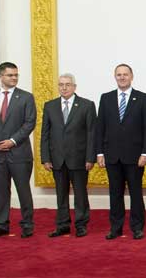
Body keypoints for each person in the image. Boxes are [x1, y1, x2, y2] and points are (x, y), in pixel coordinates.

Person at [96, 63, 146, 240]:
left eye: (125, 74)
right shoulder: (106, 98)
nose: (122, 77)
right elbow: (100, 128)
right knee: (115, 193)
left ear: (131, 76)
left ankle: (137, 227)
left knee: (136, 193)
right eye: (119, 75)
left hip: (135, 157)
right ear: (115, 77)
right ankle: (116, 227)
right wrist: (99, 153)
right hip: (112, 155)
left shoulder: (143, 98)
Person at [0, 62, 37, 239]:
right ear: (0, 76)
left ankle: (27, 225)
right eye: (10, 75)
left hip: (19, 153)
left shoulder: (26, 97)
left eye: (16, 75)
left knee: (23, 190)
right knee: (1, 191)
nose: (14, 78)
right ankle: (2, 225)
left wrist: (12, 141)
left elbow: (30, 123)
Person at [40, 73, 96, 238]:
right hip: (57, 159)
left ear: (74, 87)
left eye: (67, 84)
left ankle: (81, 224)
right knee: (60, 194)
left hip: (79, 159)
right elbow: (45, 134)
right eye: (61, 85)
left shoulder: (86, 105)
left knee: (80, 193)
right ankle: (62, 225)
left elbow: (92, 134)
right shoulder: (50, 106)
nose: (64, 88)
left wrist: (90, 157)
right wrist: (45, 157)